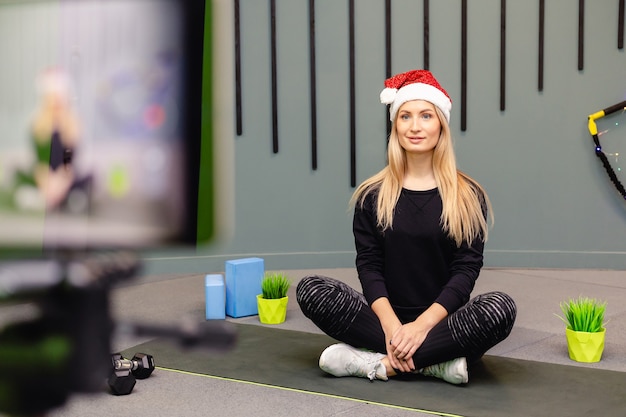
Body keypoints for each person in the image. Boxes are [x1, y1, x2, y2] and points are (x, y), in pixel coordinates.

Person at [296, 69, 516, 385]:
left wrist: (420, 328)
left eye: (426, 116)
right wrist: (393, 327)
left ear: (441, 124)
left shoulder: (468, 195)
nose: (415, 127)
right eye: (405, 117)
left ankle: (378, 364)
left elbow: (465, 271)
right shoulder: (371, 195)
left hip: (443, 324)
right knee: (312, 289)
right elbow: (369, 266)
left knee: (500, 308)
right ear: (395, 125)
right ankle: (436, 364)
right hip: (384, 322)